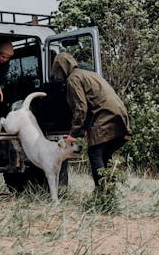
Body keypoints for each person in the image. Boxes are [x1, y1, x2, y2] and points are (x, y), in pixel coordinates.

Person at [50, 52, 132, 188]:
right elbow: (93, 101)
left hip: (105, 115)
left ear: (61, 68)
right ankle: (109, 191)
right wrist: (88, 129)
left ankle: (102, 192)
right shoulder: (89, 73)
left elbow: (81, 108)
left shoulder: (73, 79)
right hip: (119, 114)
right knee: (105, 153)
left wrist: (72, 134)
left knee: (94, 152)